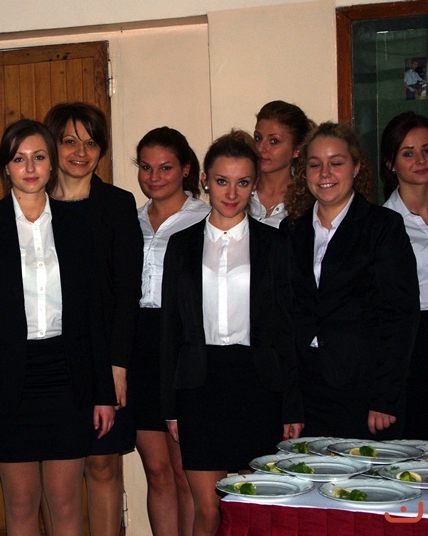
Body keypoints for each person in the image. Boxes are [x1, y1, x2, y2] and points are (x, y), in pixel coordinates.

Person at [0, 119, 116, 536]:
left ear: (51, 165)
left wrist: (103, 393)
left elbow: (95, 315)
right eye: (19, 159)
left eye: (39, 157)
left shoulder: (75, 227)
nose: (30, 168)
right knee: (21, 504)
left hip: (68, 379)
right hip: (9, 384)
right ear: (6, 167)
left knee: (65, 502)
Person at [161, 131, 303, 536]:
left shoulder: (275, 245)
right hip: (198, 385)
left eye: (242, 182)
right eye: (222, 181)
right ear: (205, 180)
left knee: (250, 510)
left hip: (257, 384)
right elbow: (171, 329)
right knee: (207, 511)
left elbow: (287, 330)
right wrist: (169, 405)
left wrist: (292, 407)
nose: (231, 192)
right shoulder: (181, 245)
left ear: (254, 184)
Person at [43, 102, 143, 536]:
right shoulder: (33, 205)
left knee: (103, 464)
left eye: (90, 143)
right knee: (56, 475)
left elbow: (127, 292)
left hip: (105, 355)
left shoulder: (117, 205)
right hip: (51, 359)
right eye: (69, 141)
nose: (80, 152)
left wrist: (118, 365)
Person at [284, 121, 419, 440]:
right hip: (306, 391)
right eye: (315, 164)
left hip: (364, 391)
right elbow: (284, 317)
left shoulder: (383, 227)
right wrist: (289, 402)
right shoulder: (291, 231)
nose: (325, 173)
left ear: (356, 167)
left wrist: (385, 398)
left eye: (336, 163)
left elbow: (400, 316)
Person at [131, 127, 209, 536]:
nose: (154, 177)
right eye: (146, 168)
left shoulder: (205, 218)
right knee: (157, 471)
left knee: (185, 473)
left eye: (165, 168)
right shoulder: (131, 220)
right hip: (140, 345)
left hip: (182, 344)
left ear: (186, 169)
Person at [380, 111, 428, 440]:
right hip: (414, 338)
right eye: (408, 153)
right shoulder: (384, 224)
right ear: (391, 164)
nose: (420, 160)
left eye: (426, 150)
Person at [250, 100, 313, 227]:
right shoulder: (240, 189)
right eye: (258, 138)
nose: (261, 148)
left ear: (297, 150)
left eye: (274, 141)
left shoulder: (309, 198)